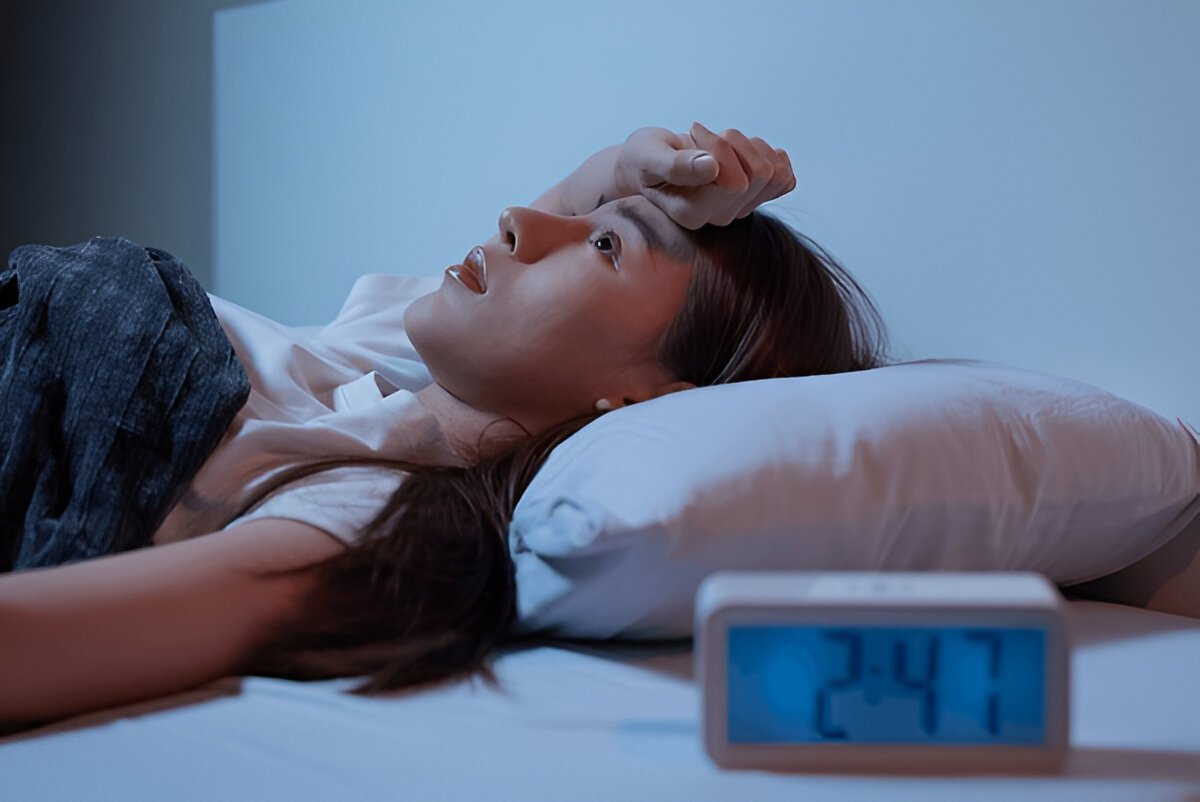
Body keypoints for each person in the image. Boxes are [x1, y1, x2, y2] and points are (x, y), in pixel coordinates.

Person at [0, 121, 889, 728]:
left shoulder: (374, 515)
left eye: (603, 245)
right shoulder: (380, 359)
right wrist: (639, 172)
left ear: (646, 399)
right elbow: (590, 186)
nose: (520, 221)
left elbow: (41, 645)